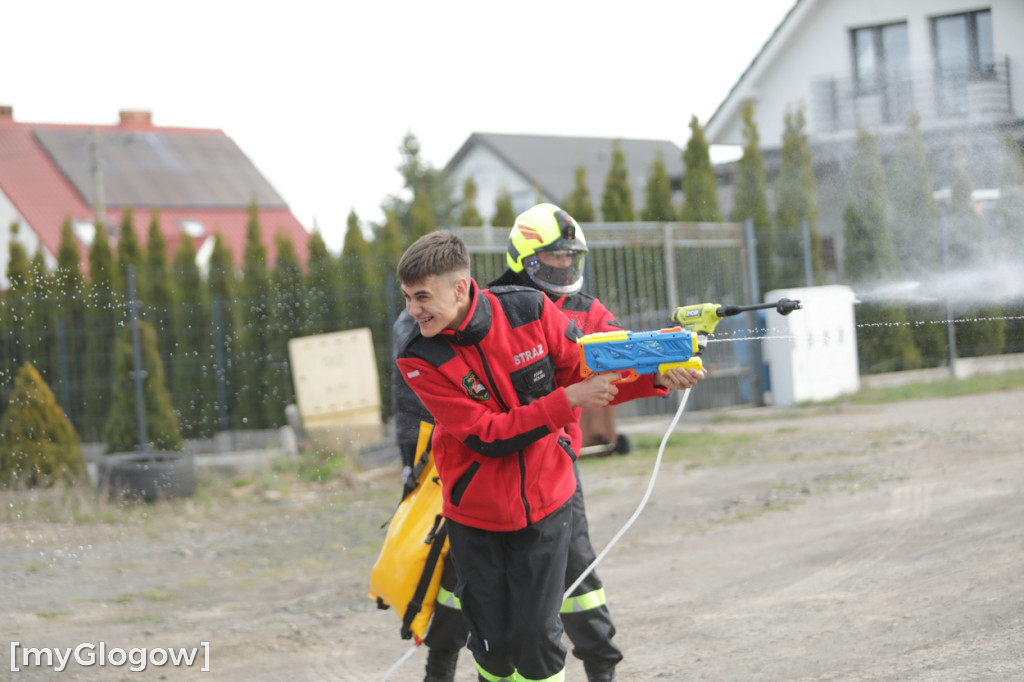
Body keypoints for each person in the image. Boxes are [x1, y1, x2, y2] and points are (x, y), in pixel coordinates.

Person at [394, 229, 702, 682]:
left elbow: (589, 371)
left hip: (547, 504)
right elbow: (487, 435)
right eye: (407, 298)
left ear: (460, 288)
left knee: (538, 640)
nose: (413, 311)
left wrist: (656, 378)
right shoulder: (419, 356)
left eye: (422, 297)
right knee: (493, 650)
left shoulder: (529, 309)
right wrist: (569, 399)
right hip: (475, 518)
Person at [487, 202, 663, 681]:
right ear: (526, 257)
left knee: (577, 570)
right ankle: (442, 663)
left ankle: (601, 667)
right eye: (555, 257)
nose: (565, 266)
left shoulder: (588, 312)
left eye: (571, 257)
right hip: (492, 469)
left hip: (557, 468)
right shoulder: (490, 309)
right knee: (481, 585)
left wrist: (665, 368)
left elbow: (622, 361)